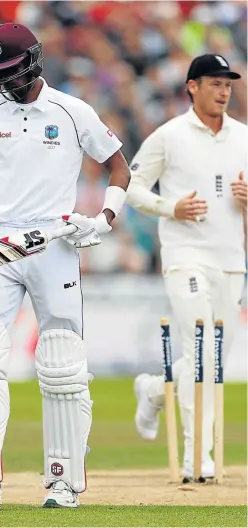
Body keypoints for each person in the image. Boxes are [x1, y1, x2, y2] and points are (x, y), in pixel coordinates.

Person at [0, 23, 130, 508]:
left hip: (55, 242)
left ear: (32, 61)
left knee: (62, 362)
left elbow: (119, 166)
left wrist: (104, 219)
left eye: (9, 71)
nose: (2, 82)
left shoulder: (72, 112)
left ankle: (63, 481)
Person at [127, 54, 247, 480]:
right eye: (215, 83)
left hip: (231, 262)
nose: (224, 90)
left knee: (214, 362)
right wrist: (170, 207)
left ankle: (155, 389)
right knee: (202, 352)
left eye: (228, 84)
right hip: (184, 257)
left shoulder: (244, 138)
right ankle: (201, 455)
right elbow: (132, 187)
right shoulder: (169, 136)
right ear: (192, 87)